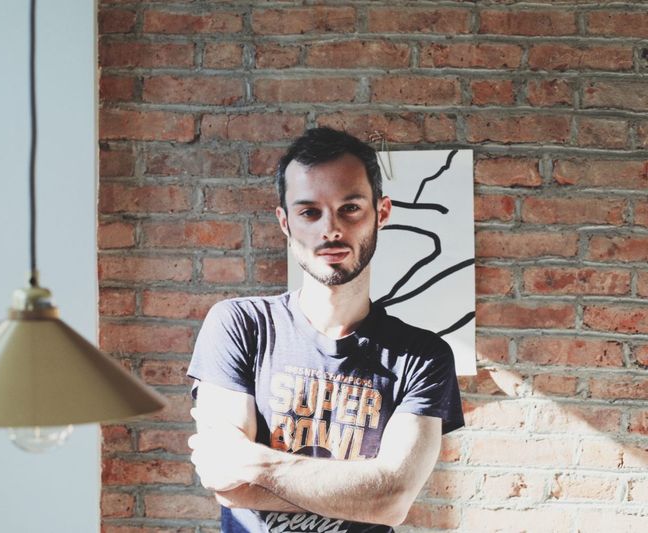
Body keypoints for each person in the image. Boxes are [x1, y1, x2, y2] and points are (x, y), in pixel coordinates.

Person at [186, 127, 465, 533]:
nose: (330, 229)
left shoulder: (423, 356)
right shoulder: (240, 325)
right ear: (285, 222)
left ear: (381, 213)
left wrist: (257, 463)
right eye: (309, 212)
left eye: (350, 208)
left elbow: (391, 500)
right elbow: (229, 484)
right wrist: (359, 490)